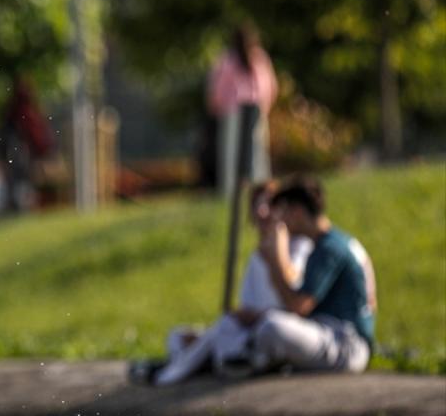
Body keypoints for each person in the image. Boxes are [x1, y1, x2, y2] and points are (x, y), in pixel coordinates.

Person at [152, 180, 311, 385]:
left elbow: (294, 293)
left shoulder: (300, 246)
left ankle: (172, 374)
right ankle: (196, 363)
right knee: (179, 336)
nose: (262, 211)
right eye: (257, 205)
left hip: (276, 328)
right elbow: (247, 304)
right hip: (248, 329)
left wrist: (277, 247)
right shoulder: (256, 256)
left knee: (230, 330)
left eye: (269, 204)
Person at [249, 177, 374, 373]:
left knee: (271, 326)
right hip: (341, 338)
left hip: (347, 343)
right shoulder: (335, 241)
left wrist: (276, 257)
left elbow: (297, 307)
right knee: (267, 326)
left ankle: (259, 359)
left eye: (283, 212)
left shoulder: (329, 248)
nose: (279, 220)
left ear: (298, 212)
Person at [201, 23, 277, 188]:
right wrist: (266, 106)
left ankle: (231, 188)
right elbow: (270, 86)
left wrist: (215, 107)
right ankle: (260, 187)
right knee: (258, 151)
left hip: (233, 110)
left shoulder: (228, 60)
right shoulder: (259, 58)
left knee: (231, 152)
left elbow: (217, 90)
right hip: (255, 107)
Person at [0, 74, 53, 214]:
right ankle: (19, 206)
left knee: (18, 184)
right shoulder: (25, 110)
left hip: (20, 155)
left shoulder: (17, 110)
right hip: (21, 155)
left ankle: (18, 206)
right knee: (20, 183)